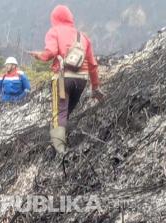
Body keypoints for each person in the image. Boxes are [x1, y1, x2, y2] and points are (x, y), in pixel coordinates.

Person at [29, 5, 104, 154]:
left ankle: (60, 151)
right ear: (70, 18)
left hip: (63, 78)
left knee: (60, 113)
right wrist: (95, 87)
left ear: (54, 19)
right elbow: (93, 65)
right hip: (81, 80)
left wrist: (39, 56)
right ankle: (59, 140)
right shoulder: (83, 37)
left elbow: (51, 52)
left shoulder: (54, 31)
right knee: (66, 112)